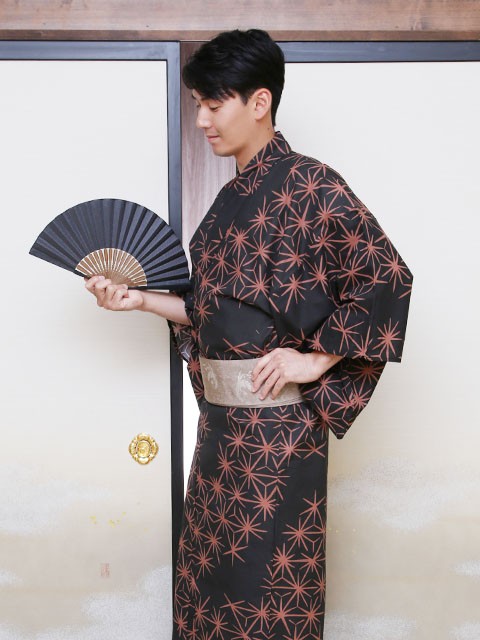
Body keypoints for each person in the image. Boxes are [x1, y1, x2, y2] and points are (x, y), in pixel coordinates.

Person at [85, 29, 413, 640]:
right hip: (219, 434)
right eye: (198, 106)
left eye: (214, 104)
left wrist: (315, 360)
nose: (202, 120)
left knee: (267, 590)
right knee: (208, 584)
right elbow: (211, 313)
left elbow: (386, 278)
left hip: (278, 440)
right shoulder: (226, 203)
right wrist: (138, 300)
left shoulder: (312, 184)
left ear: (259, 102)